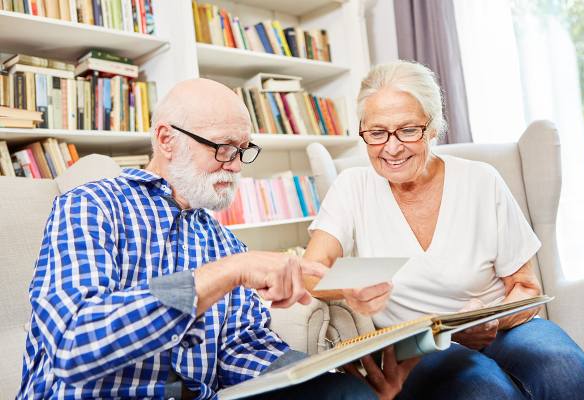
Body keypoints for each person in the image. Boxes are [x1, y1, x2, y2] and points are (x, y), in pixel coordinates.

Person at [18, 78, 393, 399]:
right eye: (221, 147)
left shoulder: (222, 242)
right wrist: (225, 273)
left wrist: (323, 377)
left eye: (242, 150)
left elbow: (240, 350)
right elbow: (72, 346)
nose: (233, 163)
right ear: (166, 139)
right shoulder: (91, 206)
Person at [304, 60, 584, 399]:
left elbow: (526, 287)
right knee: (483, 392)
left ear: (433, 127)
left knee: (570, 377)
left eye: (408, 130)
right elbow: (311, 273)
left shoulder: (481, 180)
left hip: (503, 329)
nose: (391, 148)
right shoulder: (352, 187)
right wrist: (349, 289)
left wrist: (492, 323)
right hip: (421, 346)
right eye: (377, 133)